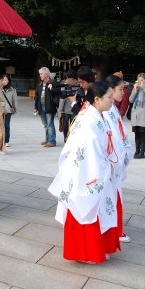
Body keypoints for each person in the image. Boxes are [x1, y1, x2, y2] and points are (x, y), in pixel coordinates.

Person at [48, 82, 120, 263]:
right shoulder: (89, 119)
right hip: (87, 171)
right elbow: (89, 151)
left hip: (95, 168)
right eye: (109, 97)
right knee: (87, 209)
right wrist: (105, 166)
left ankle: (96, 249)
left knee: (97, 210)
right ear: (97, 99)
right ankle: (87, 252)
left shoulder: (95, 115)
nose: (112, 101)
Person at [104, 75, 134, 243]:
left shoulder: (112, 108)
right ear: (111, 89)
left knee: (115, 196)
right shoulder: (107, 110)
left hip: (116, 160)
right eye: (121, 89)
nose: (123, 92)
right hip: (110, 162)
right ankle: (114, 230)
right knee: (112, 197)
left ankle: (115, 228)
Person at [129, 72, 145, 159]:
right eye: (138, 80)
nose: (140, 82)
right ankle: (137, 151)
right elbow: (130, 100)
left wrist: (143, 87)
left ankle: (142, 153)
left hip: (144, 114)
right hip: (135, 114)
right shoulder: (136, 88)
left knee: (142, 133)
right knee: (136, 134)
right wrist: (134, 90)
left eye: (142, 80)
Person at [34, 67, 56, 147]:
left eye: (41, 74)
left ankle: (52, 141)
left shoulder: (53, 83)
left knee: (50, 124)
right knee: (45, 124)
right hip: (41, 106)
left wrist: (52, 88)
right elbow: (37, 97)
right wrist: (35, 107)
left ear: (46, 74)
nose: (40, 75)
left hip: (49, 107)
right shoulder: (40, 85)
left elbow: (57, 93)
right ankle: (47, 139)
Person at [58, 69, 77, 142]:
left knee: (65, 126)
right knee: (74, 126)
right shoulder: (78, 85)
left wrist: (60, 110)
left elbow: (62, 98)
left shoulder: (64, 85)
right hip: (75, 109)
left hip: (66, 110)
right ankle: (72, 139)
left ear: (67, 76)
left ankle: (66, 138)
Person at [2, 74, 18, 147]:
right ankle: (0, 140)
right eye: (3, 79)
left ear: (8, 81)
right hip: (0, 110)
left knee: (7, 125)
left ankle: (6, 141)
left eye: (5, 80)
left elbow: (15, 100)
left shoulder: (13, 90)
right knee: (0, 126)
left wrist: (15, 109)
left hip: (8, 110)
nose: (4, 81)